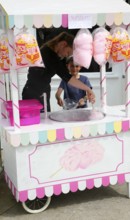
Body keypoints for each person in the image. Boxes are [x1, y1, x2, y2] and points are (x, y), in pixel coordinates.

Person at [22, 32, 95, 112]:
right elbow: (67, 77)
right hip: (33, 93)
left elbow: (67, 74)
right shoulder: (48, 54)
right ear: (63, 44)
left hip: (44, 91)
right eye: (67, 53)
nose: (66, 56)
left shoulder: (56, 55)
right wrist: (88, 89)